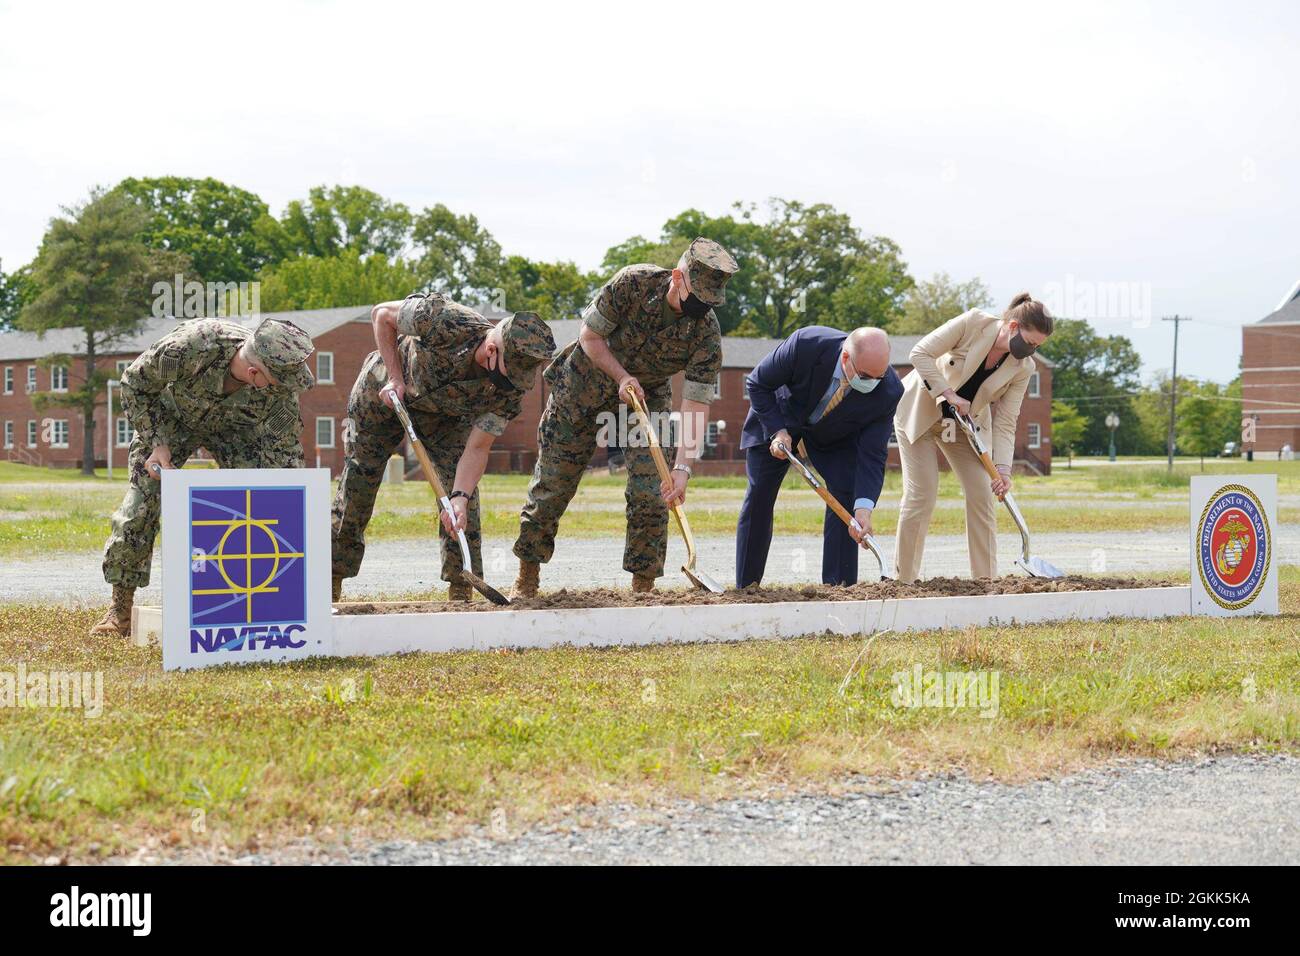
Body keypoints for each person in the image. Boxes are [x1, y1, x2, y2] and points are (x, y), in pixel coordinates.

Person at [511, 237, 739, 597]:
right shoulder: (632, 284)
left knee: (654, 491)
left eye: (709, 303)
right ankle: (528, 575)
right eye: (697, 298)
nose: (701, 309)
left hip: (645, 399)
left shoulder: (705, 332)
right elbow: (590, 337)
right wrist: (621, 376)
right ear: (677, 278)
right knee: (553, 486)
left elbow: (696, 402)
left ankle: (643, 587)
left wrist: (683, 468)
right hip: (582, 388)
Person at [90, 317, 315, 638]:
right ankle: (120, 609)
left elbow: (286, 458)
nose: (283, 388)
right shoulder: (193, 346)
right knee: (141, 504)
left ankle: (258, 600)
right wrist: (157, 443)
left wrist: (288, 510)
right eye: (277, 381)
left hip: (236, 433)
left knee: (264, 504)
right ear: (254, 373)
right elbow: (134, 384)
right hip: (169, 423)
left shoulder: (281, 395)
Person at [331, 293, 555, 601]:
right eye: (509, 374)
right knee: (358, 487)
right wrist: (395, 377)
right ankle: (330, 580)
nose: (513, 384)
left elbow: (477, 449)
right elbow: (381, 314)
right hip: (383, 398)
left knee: (462, 499)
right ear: (491, 349)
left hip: (443, 418)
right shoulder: (445, 319)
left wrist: (459, 497)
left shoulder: (510, 392)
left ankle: (461, 588)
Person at [893, 293, 1054, 581]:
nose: (1031, 351)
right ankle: (904, 581)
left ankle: (985, 582)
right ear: (1014, 326)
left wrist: (1003, 469)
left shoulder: (1023, 367)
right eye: (1030, 343)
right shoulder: (973, 323)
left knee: (983, 492)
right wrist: (948, 393)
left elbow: (1006, 421)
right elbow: (919, 353)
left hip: (964, 426)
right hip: (920, 412)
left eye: (1038, 347)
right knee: (923, 494)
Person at [737, 326, 902, 587]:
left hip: (833, 436)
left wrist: (864, 508)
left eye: (878, 377)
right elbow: (758, 383)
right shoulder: (807, 344)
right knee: (760, 494)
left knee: (846, 495)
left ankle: (840, 588)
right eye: (866, 376)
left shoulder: (889, 391)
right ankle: (747, 586)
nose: (872, 383)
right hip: (779, 416)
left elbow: (873, 454)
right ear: (846, 358)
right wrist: (778, 431)